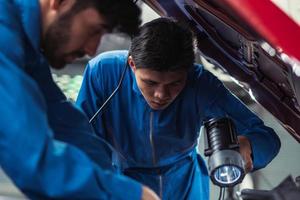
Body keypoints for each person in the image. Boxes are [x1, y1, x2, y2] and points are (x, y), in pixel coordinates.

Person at [76, 17, 281, 200]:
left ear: (188, 71)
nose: (160, 95)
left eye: (174, 84)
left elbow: (267, 138)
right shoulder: (103, 72)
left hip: (184, 186)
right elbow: (82, 140)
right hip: (123, 183)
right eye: (150, 82)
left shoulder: (200, 84)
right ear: (132, 64)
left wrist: (248, 147)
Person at [0, 0, 159, 199]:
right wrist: (128, 194)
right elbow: (30, 155)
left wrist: (113, 179)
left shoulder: (24, 43)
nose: (92, 50)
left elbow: (62, 121)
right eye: (95, 30)